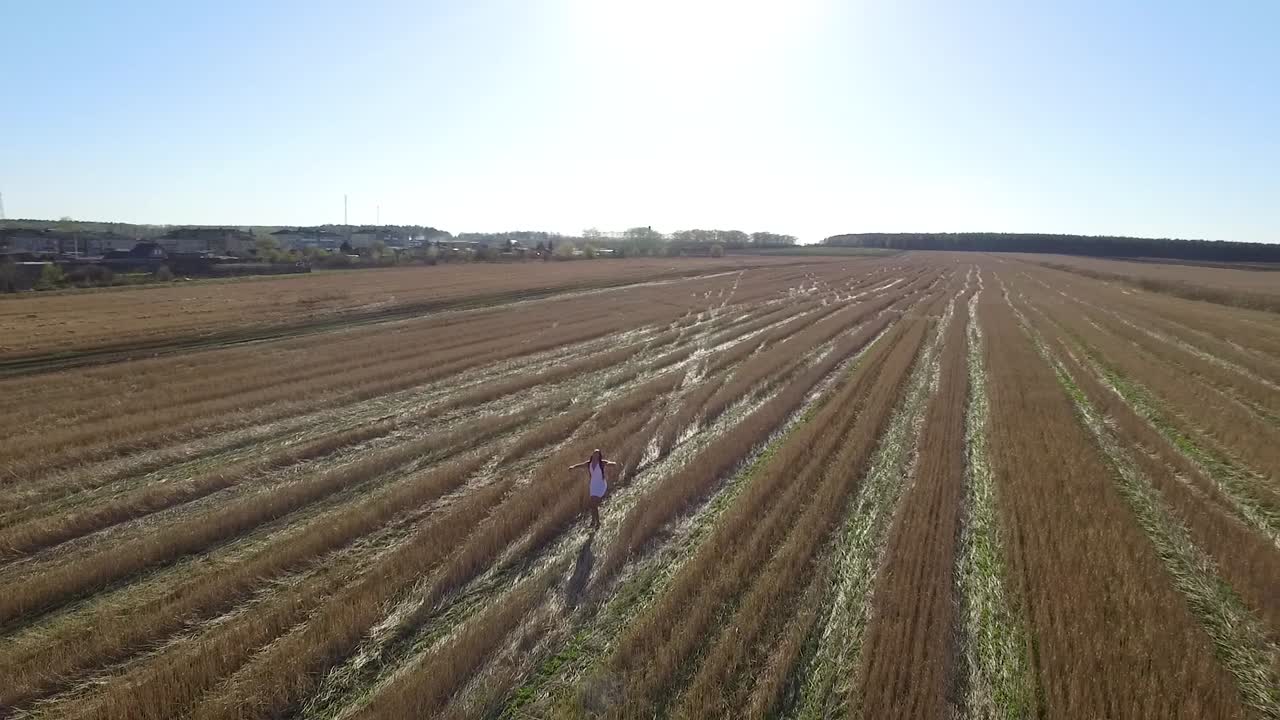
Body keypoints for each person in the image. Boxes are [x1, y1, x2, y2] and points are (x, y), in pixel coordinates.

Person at [570, 449, 617, 529]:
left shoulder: (601, 463)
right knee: (592, 505)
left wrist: (612, 463)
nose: (596, 455)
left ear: (599, 455)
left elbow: (608, 463)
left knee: (594, 504)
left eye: (597, 454)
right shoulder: (589, 463)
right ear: (592, 454)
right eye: (595, 453)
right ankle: (594, 521)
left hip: (600, 484)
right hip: (593, 485)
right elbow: (581, 465)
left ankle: (597, 522)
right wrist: (573, 467)